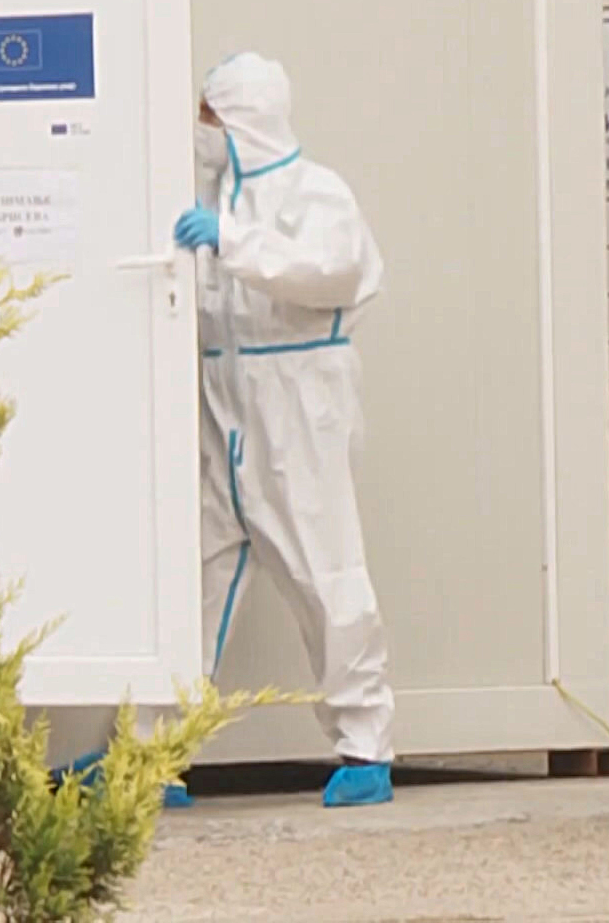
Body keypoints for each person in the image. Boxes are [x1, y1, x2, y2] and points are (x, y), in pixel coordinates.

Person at [172, 51, 396, 808]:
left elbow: (330, 272)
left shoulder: (315, 193)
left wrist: (234, 243)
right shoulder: (207, 199)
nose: (200, 129)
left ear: (242, 119)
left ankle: (366, 744)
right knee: (193, 580)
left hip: (300, 406)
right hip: (226, 404)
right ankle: (154, 751)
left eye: (209, 114)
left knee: (324, 574)